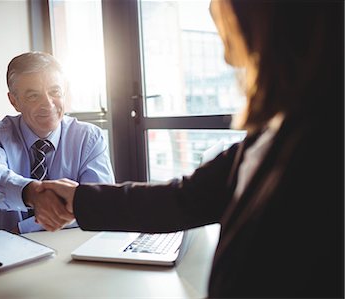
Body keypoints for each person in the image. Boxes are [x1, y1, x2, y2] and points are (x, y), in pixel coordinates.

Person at [30, 0, 343, 297]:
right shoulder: (271, 133)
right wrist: (79, 198)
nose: (228, 59)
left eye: (232, 36)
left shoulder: (324, 145)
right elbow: (183, 198)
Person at [0, 52, 115, 234]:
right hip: (8, 252)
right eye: (33, 96)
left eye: (55, 92)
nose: (48, 104)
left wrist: (26, 228)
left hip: (70, 249)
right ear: (14, 101)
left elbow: (98, 205)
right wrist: (32, 193)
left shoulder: (89, 138)